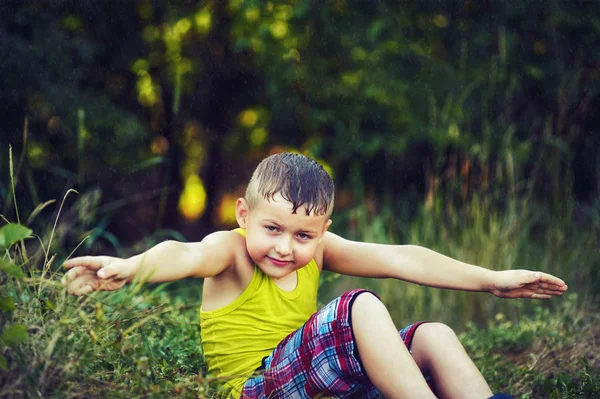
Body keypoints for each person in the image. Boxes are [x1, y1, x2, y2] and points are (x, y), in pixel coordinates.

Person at [62, 152, 568, 399]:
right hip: (257, 389)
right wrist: (130, 268)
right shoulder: (231, 252)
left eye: (304, 236)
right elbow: (182, 253)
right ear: (243, 215)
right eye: (272, 228)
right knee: (361, 307)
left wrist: (491, 279)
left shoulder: (318, 250)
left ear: (322, 229)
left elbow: (402, 258)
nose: (285, 247)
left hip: (313, 382)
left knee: (434, 335)